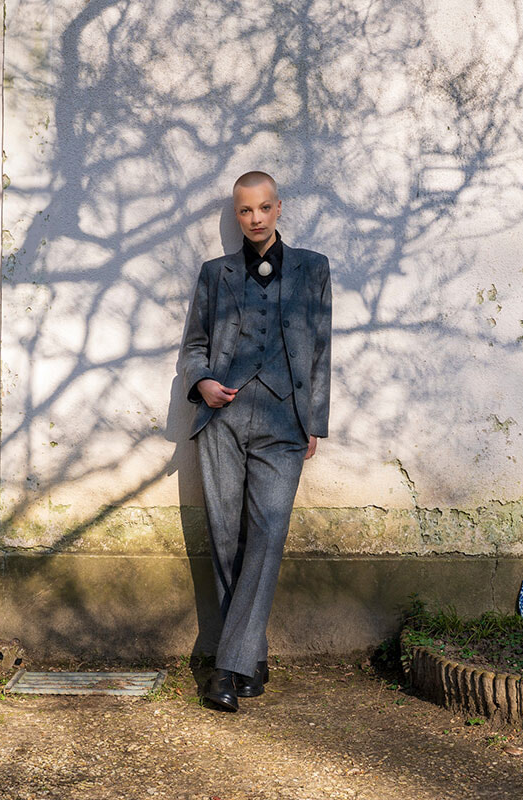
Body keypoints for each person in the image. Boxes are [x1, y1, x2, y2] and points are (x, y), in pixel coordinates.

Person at [180, 171, 332, 712]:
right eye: (245, 211)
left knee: (267, 536)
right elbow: (194, 345)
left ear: (279, 208)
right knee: (226, 537)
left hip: (284, 421)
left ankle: (226, 666)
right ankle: (251, 654)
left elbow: (320, 351)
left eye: (264, 208)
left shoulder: (313, 269)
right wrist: (201, 381)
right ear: (236, 214)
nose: (255, 219)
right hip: (222, 419)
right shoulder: (214, 275)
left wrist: (314, 419)